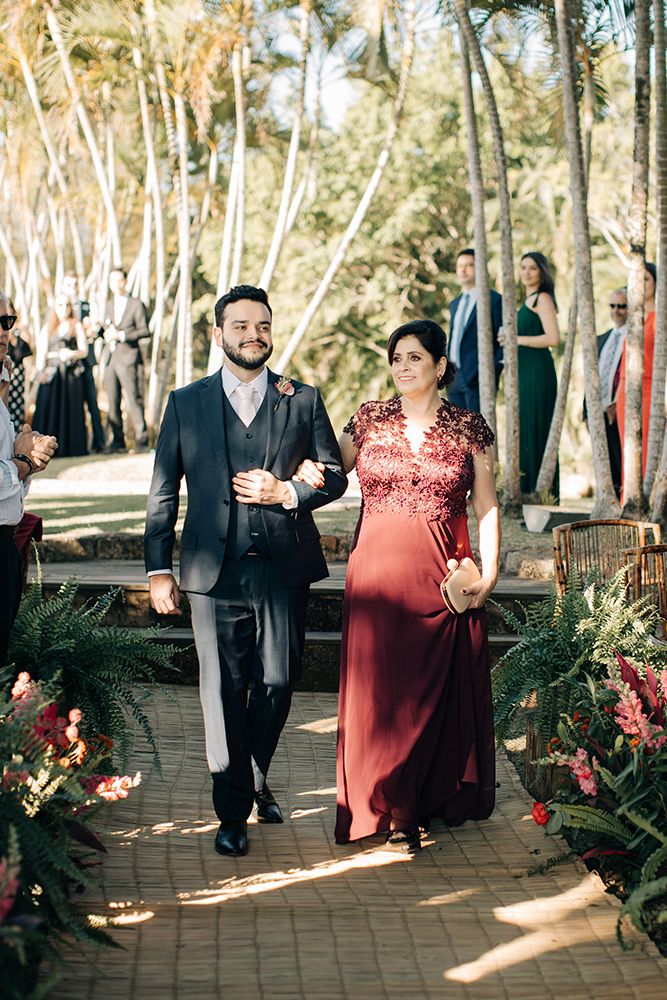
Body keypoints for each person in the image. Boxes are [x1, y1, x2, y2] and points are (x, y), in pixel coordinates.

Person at [144, 284, 347, 858]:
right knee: (223, 689)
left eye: (261, 325)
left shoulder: (301, 398)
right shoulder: (187, 402)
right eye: (240, 326)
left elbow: (333, 473)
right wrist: (159, 568)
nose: (252, 335)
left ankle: (255, 772)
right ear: (219, 333)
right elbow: (163, 492)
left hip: (282, 567)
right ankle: (231, 810)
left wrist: (288, 490)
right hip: (213, 573)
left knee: (280, 680)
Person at [312, 319, 499, 850]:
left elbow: (485, 505)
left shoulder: (469, 428)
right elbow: (329, 471)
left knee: (427, 694)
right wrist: (291, 479)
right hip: (375, 574)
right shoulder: (369, 419)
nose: (402, 367)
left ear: (440, 366)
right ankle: (398, 808)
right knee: (382, 692)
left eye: (414, 357)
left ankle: (416, 799)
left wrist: (489, 572)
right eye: (396, 358)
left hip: (439, 576)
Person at [0, 292, 57, 666]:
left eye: (8, 321)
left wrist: (30, 460)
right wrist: (22, 460)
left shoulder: (3, 397)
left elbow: (10, 492)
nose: (5, 330)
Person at [513, 252, 560, 497]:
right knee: (525, 426)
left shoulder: (542, 299)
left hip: (538, 371)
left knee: (538, 425)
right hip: (524, 372)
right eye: (522, 267)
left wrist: (517, 339)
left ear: (542, 271)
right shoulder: (526, 300)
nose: (526, 272)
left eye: (532, 268)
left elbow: (554, 338)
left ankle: (542, 493)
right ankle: (527, 490)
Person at [583, 288, 627, 499]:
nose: (616, 311)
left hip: (621, 408)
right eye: (612, 306)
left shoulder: (634, 338)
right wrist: (586, 409)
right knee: (606, 461)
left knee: (621, 457)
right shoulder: (603, 338)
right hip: (598, 409)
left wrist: (617, 403)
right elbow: (593, 374)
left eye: (621, 306)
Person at [447, 248, 503, 412]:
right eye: (460, 266)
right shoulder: (455, 303)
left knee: (478, 433)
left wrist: (490, 373)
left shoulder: (493, 299)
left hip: (479, 379)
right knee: (456, 434)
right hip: (453, 380)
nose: (463, 270)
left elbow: (502, 341)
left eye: (469, 265)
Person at [32, 294, 89, 457]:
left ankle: (70, 448)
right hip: (52, 373)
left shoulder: (76, 325)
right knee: (49, 408)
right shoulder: (48, 327)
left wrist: (71, 354)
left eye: (67, 305)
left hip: (70, 375)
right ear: (54, 308)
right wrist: (39, 371)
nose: (63, 308)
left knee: (69, 409)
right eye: (60, 305)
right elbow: (41, 352)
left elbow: (84, 351)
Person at [101, 268, 149, 453]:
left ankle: (142, 443)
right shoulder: (108, 304)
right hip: (110, 358)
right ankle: (117, 443)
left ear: (125, 281)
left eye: (119, 280)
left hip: (129, 358)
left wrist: (122, 335)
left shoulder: (137, 304)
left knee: (134, 400)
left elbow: (144, 330)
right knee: (112, 401)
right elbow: (103, 329)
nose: (116, 284)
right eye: (112, 281)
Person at [616, 264, 657, 479]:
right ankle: (628, 500)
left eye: (647, 279)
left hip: (651, 390)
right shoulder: (632, 319)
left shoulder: (660, 318)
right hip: (625, 392)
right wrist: (616, 397)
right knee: (628, 451)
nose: (641, 284)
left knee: (647, 449)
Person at [61, 271, 106, 453]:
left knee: (92, 402)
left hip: (86, 361)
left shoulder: (88, 307)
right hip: (66, 365)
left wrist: (95, 330)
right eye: (69, 285)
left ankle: (99, 443)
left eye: (75, 284)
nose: (73, 288)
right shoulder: (59, 306)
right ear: (64, 287)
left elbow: (100, 330)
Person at [5, 324, 32, 432]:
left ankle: (17, 432)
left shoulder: (20, 329)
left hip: (19, 376)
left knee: (17, 407)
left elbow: (29, 348)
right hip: (6, 374)